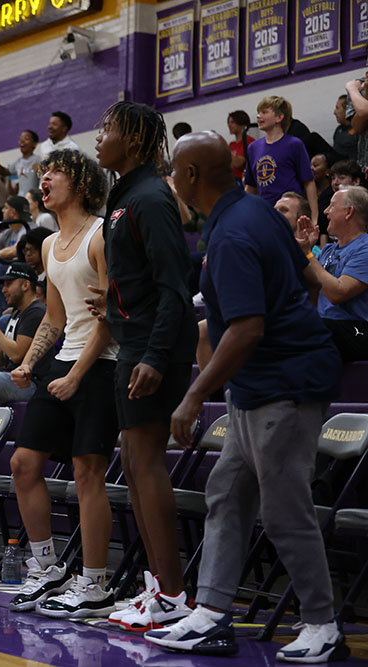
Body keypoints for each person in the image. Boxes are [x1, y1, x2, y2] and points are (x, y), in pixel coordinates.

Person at [147, 131, 348, 663]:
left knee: (284, 510)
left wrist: (194, 396)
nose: (170, 180)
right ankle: (211, 614)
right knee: (227, 493)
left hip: (283, 385)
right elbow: (303, 278)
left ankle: (322, 624)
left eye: (174, 171)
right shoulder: (257, 213)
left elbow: (246, 329)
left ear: (191, 177)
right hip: (258, 385)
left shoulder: (233, 234)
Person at [91, 101, 198, 629]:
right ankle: (158, 588)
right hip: (133, 343)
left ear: (133, 142)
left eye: (108, 129)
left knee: (147, 463)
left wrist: (155, 356)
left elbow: (175, 287)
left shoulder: (152, 197)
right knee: (132, 465)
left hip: (153, 348)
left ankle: (175, 597)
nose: (99, 137)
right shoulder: (125, 194)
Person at [5, 148, 119, 618]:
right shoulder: (50, 245)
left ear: (81, 183)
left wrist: (76, 373)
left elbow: (112, 316)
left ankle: (95, 584)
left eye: (54, 172)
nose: (44, 179)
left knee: (87, 473)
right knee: (23, 464)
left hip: (101, 366)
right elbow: (55, 316)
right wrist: (32, 361)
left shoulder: (101, 234)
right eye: (43, 173)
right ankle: (48, 568)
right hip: (63, 364)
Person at [296, 186, 368, 361]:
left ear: (349, 212)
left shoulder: (365, 248)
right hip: (327, 325)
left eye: (332, 206)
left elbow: (338, 293)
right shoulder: (327, 250)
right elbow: (309, 293)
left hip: (358, 329)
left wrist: (308, 253)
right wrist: (301, 252)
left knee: (315, 326)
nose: (326, 212)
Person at [0, 262, 46, 408]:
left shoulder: (36, 312)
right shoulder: (17, 313)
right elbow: (2, 362)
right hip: (12, 377)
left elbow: (17, 354)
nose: (3, 290)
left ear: (25, 285)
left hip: (30, 383)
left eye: (8, 284)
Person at [243, 96, 318, 230]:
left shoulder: (294, 144)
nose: (258, 116)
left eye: (264, 112)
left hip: (291, 215)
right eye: (258, 112)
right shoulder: (253, 148)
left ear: (279, 118)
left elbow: (309, 182)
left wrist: (314, 217)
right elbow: (251, 187)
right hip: (265, 214)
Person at [0, 129, 40, 196]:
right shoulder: (18, 162)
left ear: (34, 144)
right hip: (21, 199)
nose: (22, 141)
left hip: (34, 199)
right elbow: (4, 172)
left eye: (26, 138)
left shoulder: (38, 160)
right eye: (20, 140)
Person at [226, 110, 254, 183]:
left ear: (241, 124)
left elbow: (238, 163)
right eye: (228, 122)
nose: (229, 125)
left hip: (243, 180)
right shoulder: (232, 144)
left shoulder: (248, 141)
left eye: (232, 122)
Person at [334, 94, 358, 161]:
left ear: (347, 109)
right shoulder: (338, 129)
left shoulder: (359, 130)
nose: (334, 112)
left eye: (337, 108)